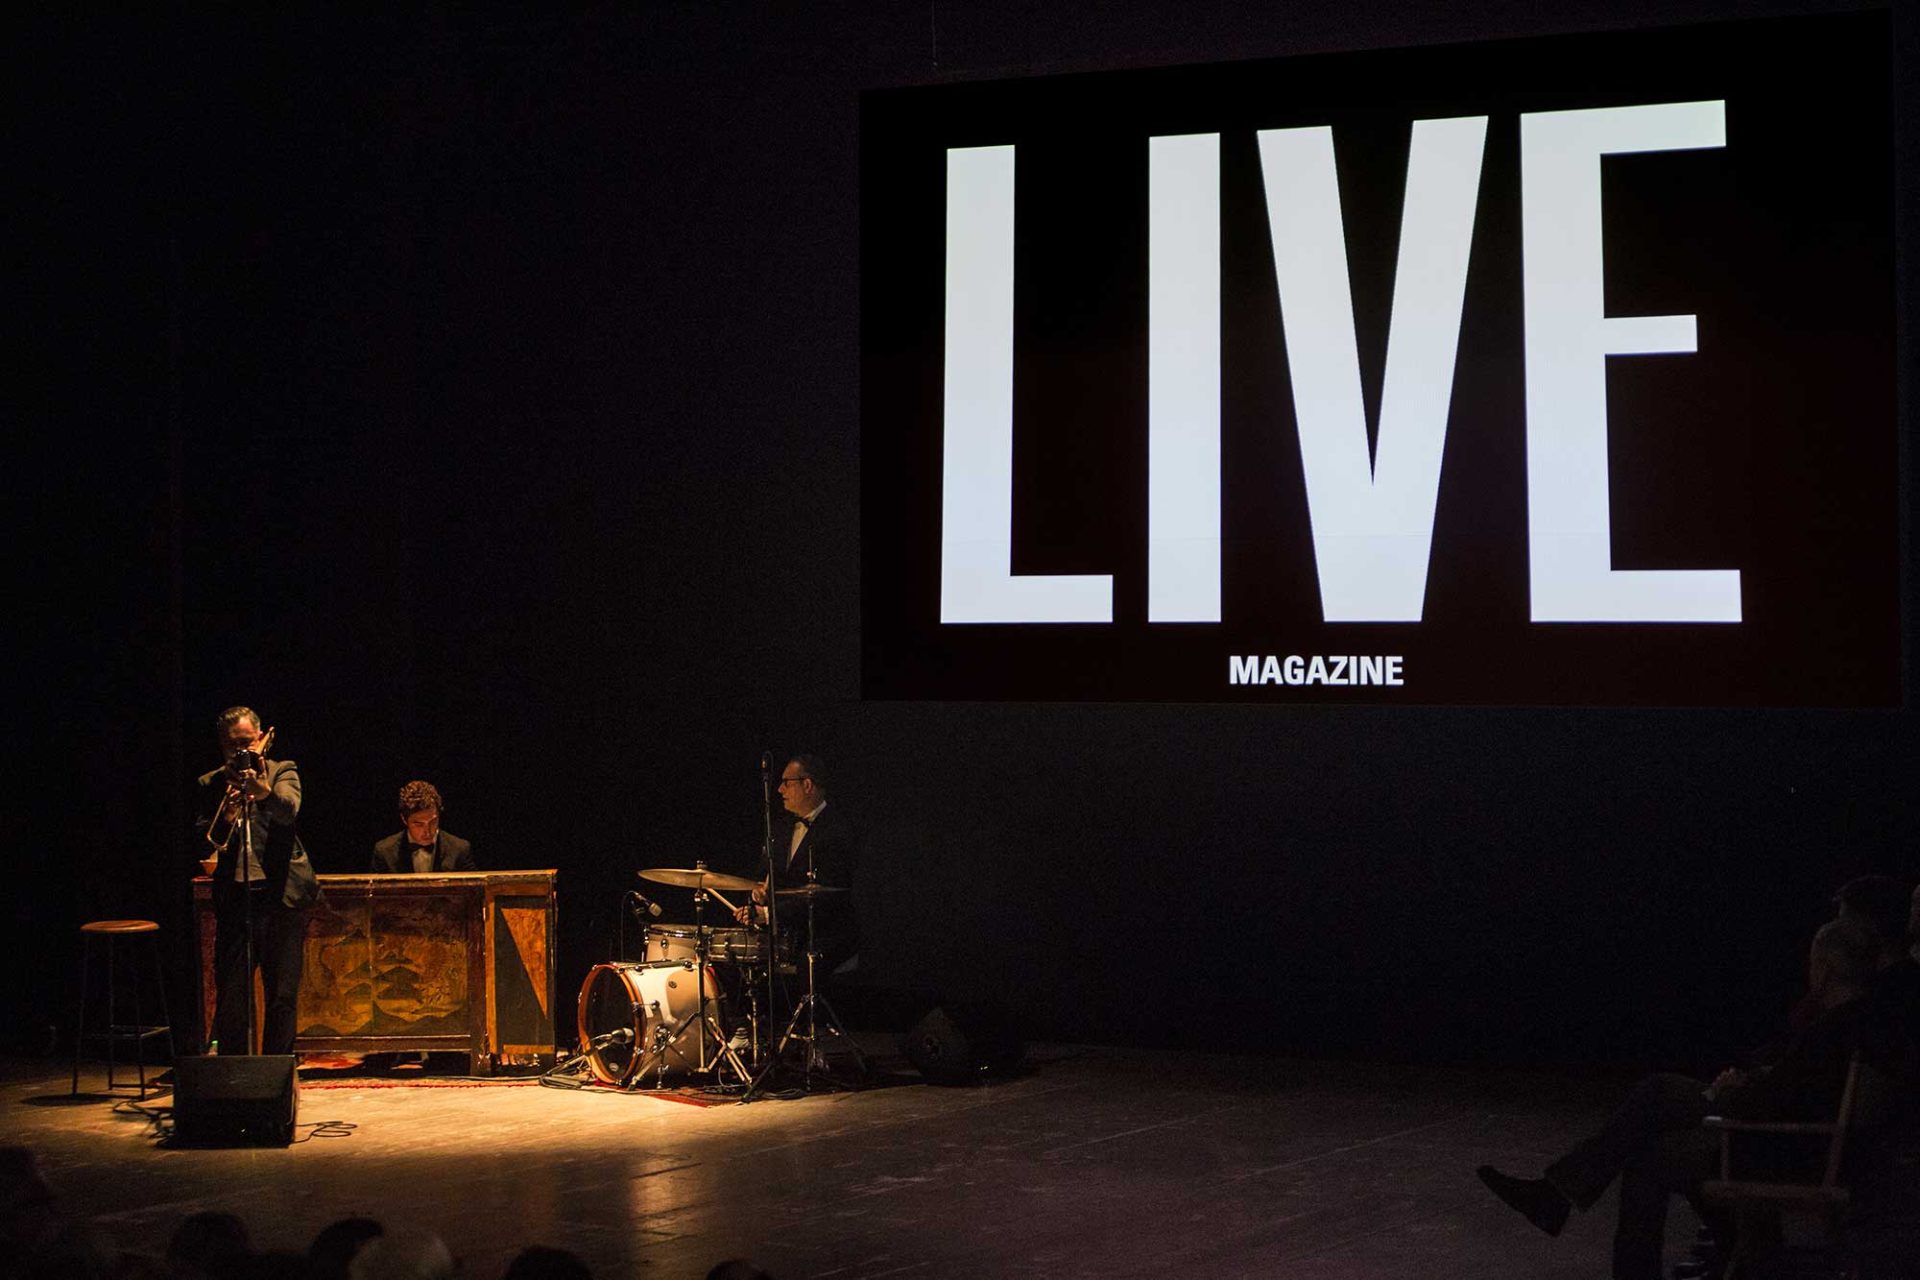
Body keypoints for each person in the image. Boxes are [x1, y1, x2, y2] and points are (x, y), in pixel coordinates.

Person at [1476, 920, 1882, 1280]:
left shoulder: (1834, 1029)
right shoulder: (1854, 1022)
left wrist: (1735, 1091)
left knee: (1653, 1130)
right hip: (1789, 1137)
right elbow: (1796, 1088)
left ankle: (1562, 1201)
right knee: (1656, 1109)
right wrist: (1752, 1080)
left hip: (1778, 1146)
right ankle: (1558, 1197)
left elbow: (1780, 1101)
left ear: (1826, 969)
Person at [201, 706, 320, 1056]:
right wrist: (226, 813)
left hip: (279, 898)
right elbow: (204, 837)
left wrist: (263, 792)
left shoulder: (283, 771)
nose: (241, 751)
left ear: (261, 737)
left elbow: (289, 810)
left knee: (281, 994)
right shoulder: (211, 783)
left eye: (247, 742)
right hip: (237, 899)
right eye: (232, 744)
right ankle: (235, 1072)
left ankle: (277, 1070)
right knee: (232, 993)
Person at [735, 755, 859, 984]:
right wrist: (758, 893)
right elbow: (762, 876)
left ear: (807, 784)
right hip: (786, 929)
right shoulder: (780, 829)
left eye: (786, 782)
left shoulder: (838, 831)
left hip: (825, 930)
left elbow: (828, 897)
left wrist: (770, 915)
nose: (780, 789)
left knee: (807, 963)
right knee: (741, 952)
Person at [370, 781, 475, 874]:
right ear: (404, 819)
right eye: (418, 824)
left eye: (433, 822)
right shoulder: (384, 852)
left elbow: (474, 889)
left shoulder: (460, 850)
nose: (427, 832)